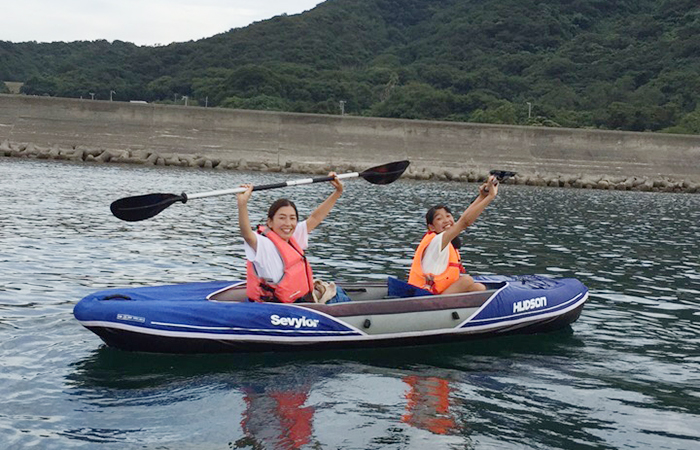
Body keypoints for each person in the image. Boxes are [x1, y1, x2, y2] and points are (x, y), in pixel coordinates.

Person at [237, 173, 343, 303]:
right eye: (282, 218)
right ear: (270, 222)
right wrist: (242, 204)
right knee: (339, 298)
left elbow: (315, 218)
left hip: (299, 300)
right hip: (279, 307)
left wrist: (337, 192)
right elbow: (247, 234)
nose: (288, 223)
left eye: (292, 218)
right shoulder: (264, 244)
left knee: (338, 292)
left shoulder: (292, 236)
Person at [408, 175, 499, 294]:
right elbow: (465, 222)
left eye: (448, 216)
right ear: (432, 227)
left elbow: (462, 219)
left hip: (435, 293)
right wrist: (491, 196)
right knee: (466, 280)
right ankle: (441, 308)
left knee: (478, 288)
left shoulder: (445, 240)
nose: (446, 220)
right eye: (439, 218)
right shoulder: (436, 241)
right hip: (425, 298)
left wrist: (482, 197)